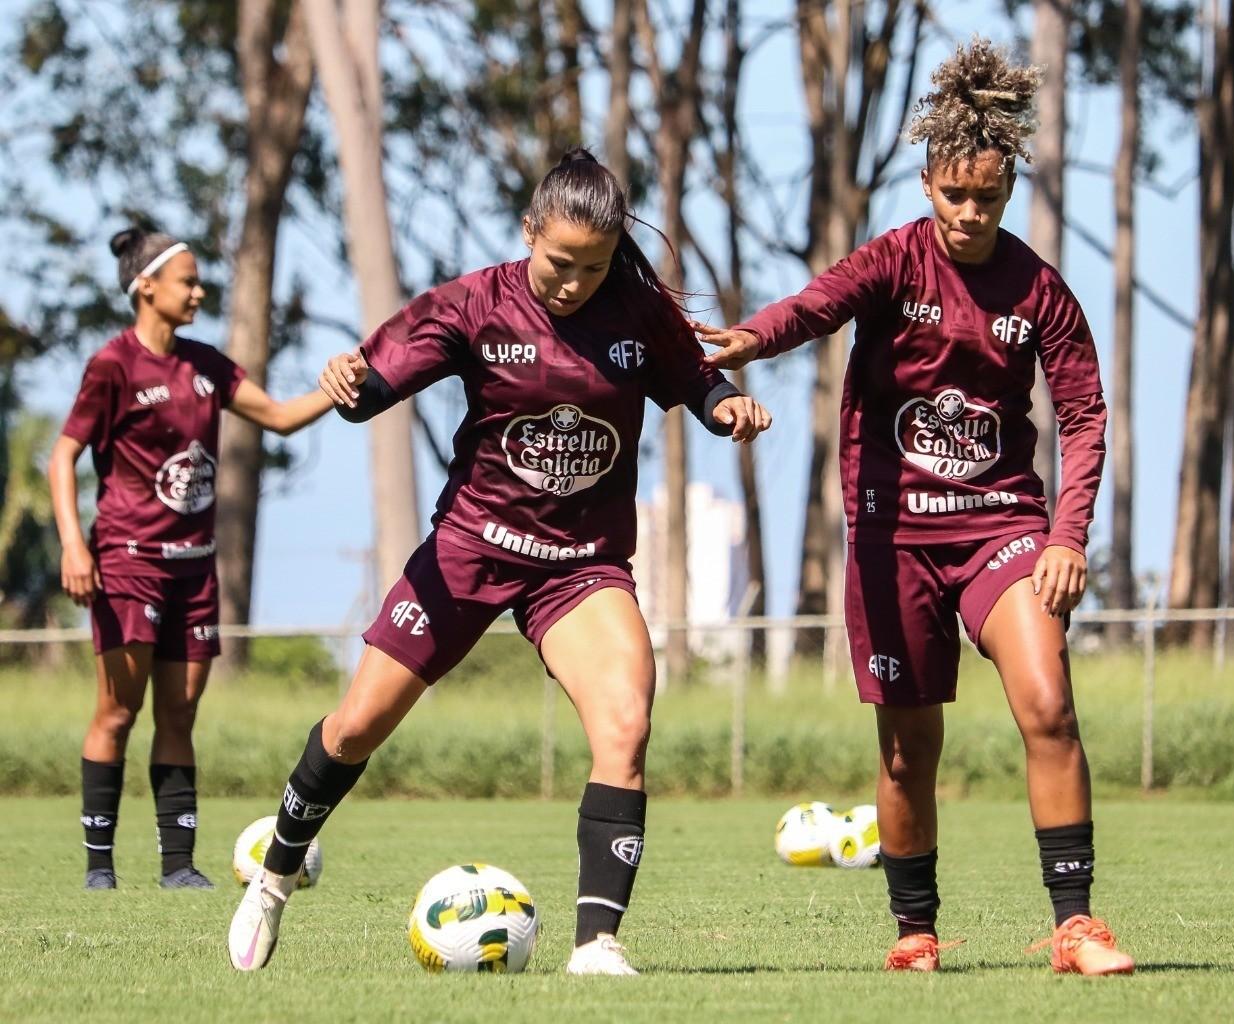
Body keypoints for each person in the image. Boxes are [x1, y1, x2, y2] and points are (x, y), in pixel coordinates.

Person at [227, 149, 771, 974]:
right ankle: (273, 880)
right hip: (472, 547)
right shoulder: (475, 302)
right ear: (528, 233)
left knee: (625, 723)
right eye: (559, 262)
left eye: (592, 267)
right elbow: (377, 381)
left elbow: (692, 377)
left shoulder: (636, 308)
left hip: (580, 566)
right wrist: (349, 383)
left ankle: (596, 946)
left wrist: (725, 403)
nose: (573, 282)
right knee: (355, 728)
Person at [696, 39, 1133, 976]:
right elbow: (815, 306)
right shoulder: (892, 262)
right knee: (907, 750)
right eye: (955, 195)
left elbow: (1086, 412)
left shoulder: (1039, 291)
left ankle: (1076, 926)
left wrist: (1067, 533)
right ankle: (915, 934)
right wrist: (748, 339)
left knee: (1050, 705)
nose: (971, 214)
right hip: (894, 538)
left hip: (1002, 529)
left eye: (990, 198)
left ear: (1009, 189)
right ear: (928, 180)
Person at [50, 227, 334, 890]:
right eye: (189, 281)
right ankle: (100, 868)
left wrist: (351, 383)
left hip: (194, 569)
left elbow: (283, 417)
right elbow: (63, 456)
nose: (200, 291)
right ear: (145, 287)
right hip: (127, 562)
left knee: (180, 716)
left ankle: (178, 867)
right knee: (117, 713)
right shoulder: (112, 366)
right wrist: (73, 543)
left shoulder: (205, 364)